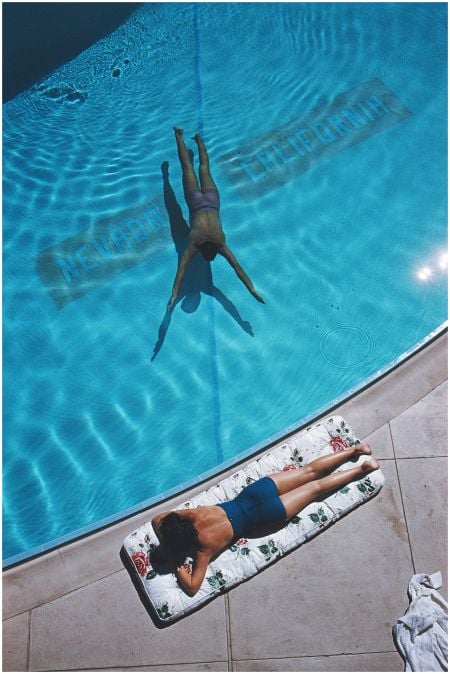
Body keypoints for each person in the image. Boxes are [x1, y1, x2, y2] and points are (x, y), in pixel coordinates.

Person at [151, 444, 379, 596]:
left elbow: (192, 587)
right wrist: (168, 538)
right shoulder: (192, 514)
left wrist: (176, 563)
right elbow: (157, 520)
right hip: (254, 493)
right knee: (308, 472)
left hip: (266, 514)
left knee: (314, 488)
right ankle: (354, 451)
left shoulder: (203, 550)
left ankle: (361, 470)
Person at [167, 128, 265, 310]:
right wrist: (174, 296)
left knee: (204, 168)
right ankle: (178, 136)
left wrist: (253, 289)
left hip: (212, 200)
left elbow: (238, 268)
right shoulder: (194, 245)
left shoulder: (220, 244)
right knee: (187, 167)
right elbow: (180, 273)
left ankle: (198, 140)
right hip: (195, 203)